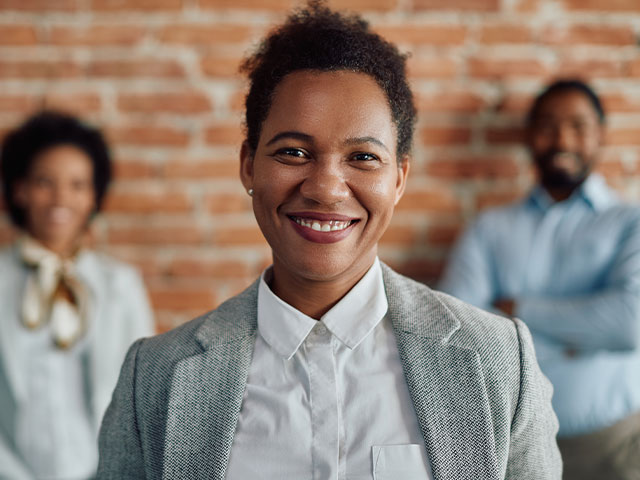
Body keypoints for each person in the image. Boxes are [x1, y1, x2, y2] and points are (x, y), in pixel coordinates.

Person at [97, 3, 561, 479]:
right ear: (248, 165)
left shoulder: (498, 360)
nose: (325, 188)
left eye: (362, 156)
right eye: (293, 152)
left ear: (399, 179)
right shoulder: (153, 378)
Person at [439, 79, 640, 480]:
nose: (562, 138)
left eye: (578, 126)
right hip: (507, 450)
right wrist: (578, 337)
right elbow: (453, 336)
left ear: (600, 136)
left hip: (614, 449)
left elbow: (630, 323)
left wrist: (516, 311)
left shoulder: (630, 223)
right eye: (548, 126)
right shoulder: (489, 229)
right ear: (530, 137)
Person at [0, 110, 155, 479]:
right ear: (19, 189)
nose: (60, 198)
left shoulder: (121, 285)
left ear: (93, 197)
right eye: (44, 182)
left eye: (77, 185)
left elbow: (143, 398)